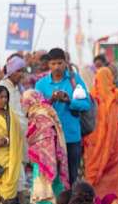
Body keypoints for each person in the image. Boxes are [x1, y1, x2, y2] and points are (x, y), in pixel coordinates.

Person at [35, 48, 91, 185]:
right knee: (52, 176)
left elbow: (86, 104)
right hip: (50, 137)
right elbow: (35, 110)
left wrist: (69, 101)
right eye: (53, 64)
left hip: (71, 136)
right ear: (49, 65)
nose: (57, 67)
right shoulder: (41, 84)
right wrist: (51, 100)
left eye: (60, 63)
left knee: (72, 175)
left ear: (65, 63)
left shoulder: (74, 80)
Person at [84, 66, 118, 204]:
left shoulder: (91, 95)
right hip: (112, 140)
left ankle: (94, 203)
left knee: (94, 170)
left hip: (93, 141)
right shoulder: (117, 94)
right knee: (113, 172)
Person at [20, 89, 69, 204]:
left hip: (44, 159)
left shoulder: (39, 115)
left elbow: (41, 137)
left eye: (25, 102)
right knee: (55, 185)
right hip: (54, 157)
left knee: (43, 188)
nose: (23, 105)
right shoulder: (47, 110)